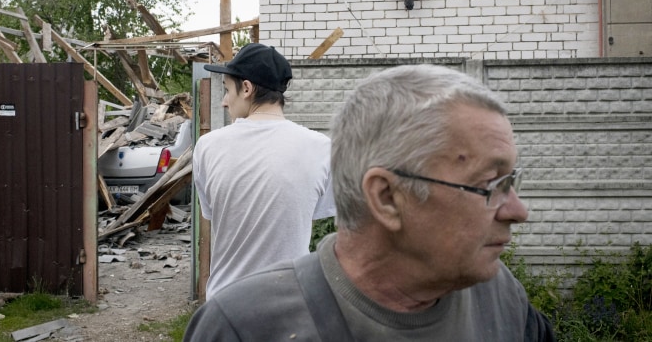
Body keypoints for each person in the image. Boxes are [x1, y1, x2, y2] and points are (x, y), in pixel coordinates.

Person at [184, 63, 555, 341]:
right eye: (489, 184)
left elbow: (209, 217)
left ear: (245, 89)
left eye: (510, 181)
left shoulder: (501, 300)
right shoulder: (242, 328)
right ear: (386, 197)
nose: (519, 211)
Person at [194, 42, 336, 300]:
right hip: (291, 305)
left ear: (246, 88)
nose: (225, 102)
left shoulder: (207, 147)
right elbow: (309, 210)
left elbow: (214, 213)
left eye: (227, 90)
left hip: (225, 306)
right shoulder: (321, 149)